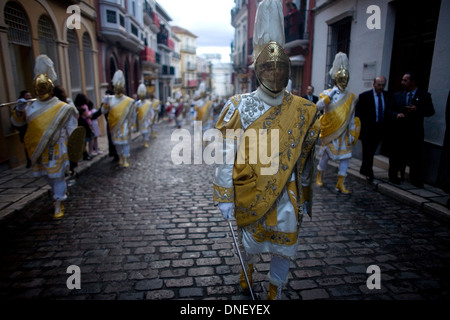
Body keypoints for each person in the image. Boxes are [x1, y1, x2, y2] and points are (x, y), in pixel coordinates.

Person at [213, 0, 321, 300]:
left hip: (287, 191)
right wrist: (224, 194)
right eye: (268, 66)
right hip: (251, 188)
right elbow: (225, 154)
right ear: (258, 68)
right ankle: (246, 271)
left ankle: (275, 289)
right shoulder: (238, 106)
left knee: (284, 245)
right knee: (250, 241)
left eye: (279, 66)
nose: (274, 72)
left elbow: (309, 156)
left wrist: (308, 190)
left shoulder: (303, 109)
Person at [10, 55, 79, 219]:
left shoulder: (63, 107)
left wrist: (74, 150)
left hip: (58, 147)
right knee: (48, 177)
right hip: (38, 149)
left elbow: (73, 129)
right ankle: (59, 192)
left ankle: (58, 202)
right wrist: (19, 110)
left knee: (57, 176)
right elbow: (18, 124)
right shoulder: (31, 107)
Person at [315, 52, 360, 194]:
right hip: (330, 131)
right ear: (336, 80)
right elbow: (318, 106)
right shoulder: (327, 93)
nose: (343, 83)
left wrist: (353, 132)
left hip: (344, 133)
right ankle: (319, 175)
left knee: (345, 158)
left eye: (345, 80)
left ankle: (340, 183)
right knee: (325, 156)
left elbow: (351, 117)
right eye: (341, 80)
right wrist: (330, 95)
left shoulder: (351, 97)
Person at [386, 72, 435, 187]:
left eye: (405, 80)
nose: (402, 82)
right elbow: (389, 110)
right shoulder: (397, 95)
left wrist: (417, 109)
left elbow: (430, 111)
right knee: (396, 156)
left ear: (413, 82)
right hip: (399, 131)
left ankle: (415, 179)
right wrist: (396, 115)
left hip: (415, 131)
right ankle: (393, 176)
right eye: (402, 80)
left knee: (415, 157)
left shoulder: (424, 96)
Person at [355, 76, 388, 182]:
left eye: (383, 85)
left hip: (380, 129)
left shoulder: (387, 96)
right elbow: (358, 114)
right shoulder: (365, 96)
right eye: (379, 85)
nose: (381, 87)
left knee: (372, 151)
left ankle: (364, 169)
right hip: (368, 130)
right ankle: (369, 172)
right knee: (368, 152)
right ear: (374, 84)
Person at [103, 70, 135, 168]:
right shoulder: (110, 99)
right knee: (117, 144)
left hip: (124, 125)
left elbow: (133, 114)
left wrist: (133, 125)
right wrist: (105, 104)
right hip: (114, 126)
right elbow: (104, 111)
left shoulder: (129, 101)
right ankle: (120, 158)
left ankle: (126, 159)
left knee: (125, 143)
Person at [11, 90, 33, 168]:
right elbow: (17, 120)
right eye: (27, 96)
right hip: (25, 131)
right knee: (27, 147)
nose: (29, 97)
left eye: (30, 96)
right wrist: (20, 109)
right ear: (23, 97)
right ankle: (29, 161)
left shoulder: (32, 104)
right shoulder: (19, 106)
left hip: (34, 130)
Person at [135, 84, 152, 148]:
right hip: (140, 120)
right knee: (142, 132)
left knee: (146, 132)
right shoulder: (137, 104)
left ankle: (146, 141)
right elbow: (135, 113)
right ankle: (144, 140)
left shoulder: (149, 103)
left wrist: (151, 120)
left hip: (147, 120)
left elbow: (151, 112)